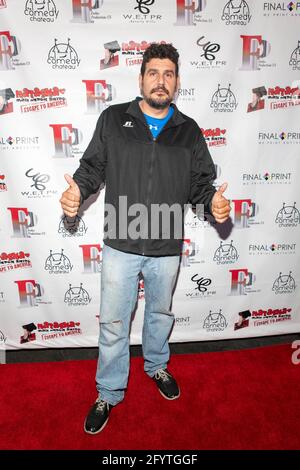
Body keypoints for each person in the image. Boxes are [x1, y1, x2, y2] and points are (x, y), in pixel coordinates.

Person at [60, 43, 231, 434]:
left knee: (159, 316)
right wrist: (77, 194)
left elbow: (200, 186)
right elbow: (91, 169)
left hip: (165, 247)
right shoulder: (113, 119)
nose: (161, 81)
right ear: (141, 79)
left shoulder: (188, 131)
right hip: (120, 242)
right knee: (115, 325)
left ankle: (156, 366)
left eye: (168, 74)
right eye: (153, 73)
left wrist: (213, 205)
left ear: (177, 82)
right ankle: (109, 391)